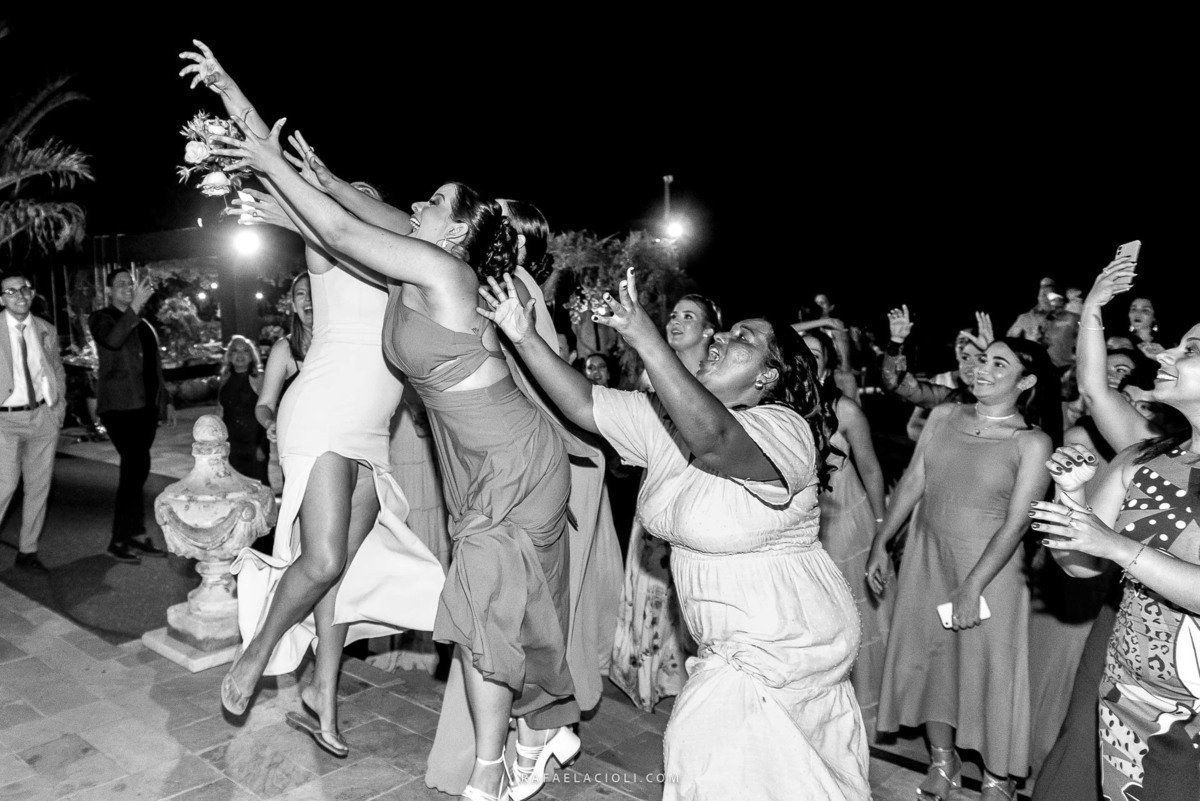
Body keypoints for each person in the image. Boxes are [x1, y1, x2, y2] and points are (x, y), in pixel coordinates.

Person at [212, 105, 582, 797]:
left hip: (515, 460)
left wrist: (263, 145)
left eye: (435, 201)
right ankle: (545, 725)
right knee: (507, 614)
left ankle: (489, 770)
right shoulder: (411, 273)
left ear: (463, 230)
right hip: (473, 466)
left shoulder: (449, 277)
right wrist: (311, 172)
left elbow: (344, 226)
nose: (417, 203)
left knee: (479, 609)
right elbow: (352, 219)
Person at [480, 270, 871, 800]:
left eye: (743, 340)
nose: (720, 338)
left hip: (786, 633)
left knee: (706, 760)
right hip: (729, 638)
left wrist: (644, 337)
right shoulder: (665, 423)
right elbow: (583, 404)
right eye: (724, 331)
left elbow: (716, 440)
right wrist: (521, 334)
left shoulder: (786, 429)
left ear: (768, 377)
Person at [181, 42, 445, 763]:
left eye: (363, 193)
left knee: (340, 570)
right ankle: (257, 652)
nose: (349, 197)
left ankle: (321, 698)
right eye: (339, 194)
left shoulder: (403, 260)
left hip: (373, 428)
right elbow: (272, 153)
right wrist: (230, 88)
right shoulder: (326, 242)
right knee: (323, 556)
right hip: (325, 409)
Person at [867, 338, 1059, 801]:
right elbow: (915, 480)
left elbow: (1017, 524)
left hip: (991, 570)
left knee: (991, 669)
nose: (981, 369)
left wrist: (972, 586)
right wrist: (880, 541)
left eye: (999, 363)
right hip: (927, 556)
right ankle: (943, 763)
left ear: (1026, 381)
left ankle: (997, 778)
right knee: (934, 659)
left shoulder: (1033, 442)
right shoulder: (943, 417)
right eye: (980, 360)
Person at [1031, 314, 1200, 799]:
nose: (1164, 355)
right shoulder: (1143, 459)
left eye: (1189, 350)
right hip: (1127, 690)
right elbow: (1080, 565)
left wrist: (1118, 545)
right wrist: (1074, 498)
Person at [613, 293, 722, 713]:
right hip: (657, 489)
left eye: (689, 316)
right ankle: (650, 679)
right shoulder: (650, 375)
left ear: (709, 330)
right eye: (673, 316)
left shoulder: (716, 377)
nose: (676, 322)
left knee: (693, 594)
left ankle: (698, 686)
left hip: (699, 496)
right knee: (655, 588)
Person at [803, 329, 891, 734]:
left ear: (828, 364)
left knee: (846, 610)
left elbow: (872, 468)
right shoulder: (774, 405)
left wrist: (881, 531)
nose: (807, 358)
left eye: (816, 353)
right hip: (797, 520)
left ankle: (856, 711)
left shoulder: (846, 410)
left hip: (843, 517)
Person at [87, 268, 173, 564]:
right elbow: (112, 340)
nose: (127, 288)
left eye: (130, 284)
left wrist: (166, 400)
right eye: (121, 284)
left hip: (145, 407)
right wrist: (135, 307)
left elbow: (153, 367)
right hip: (119, 407)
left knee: (138, 468)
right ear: (109, 291)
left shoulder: (143, 324)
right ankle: (119, 539)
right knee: (134, 465)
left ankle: (134, 533)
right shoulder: (101, 318)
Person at [0, 271, 66, 573]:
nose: (19, 295)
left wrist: (58, 409)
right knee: (5, 486)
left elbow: (56, 370)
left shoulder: (45, 329)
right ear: (2, 299)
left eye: (24, 289)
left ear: (32, 292)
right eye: (11, 291)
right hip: (5, 421)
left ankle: (28, 551)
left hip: (42, 417)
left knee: (39, 488)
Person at [218, 334, 268, 485]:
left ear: (252, 356)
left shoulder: (258, 378)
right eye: (235, 351)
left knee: (258, 488)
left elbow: (268, 412)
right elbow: (219, 412)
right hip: (231, 445)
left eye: (245, 351)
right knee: (235, 488)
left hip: (253, 444)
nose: (240, 355)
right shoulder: (225, 378)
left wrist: (262, 446)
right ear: (229, 355)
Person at [1007, 276, 1059, 341]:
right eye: (1043, 294)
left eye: (1050, 295)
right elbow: (1009, 341)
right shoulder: (1025, 318)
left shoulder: (1065, 317)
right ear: (1037, 296)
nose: (1046, 299)